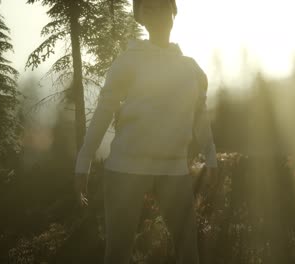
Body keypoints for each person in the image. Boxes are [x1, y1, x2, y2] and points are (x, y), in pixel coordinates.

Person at [73, 0, 218, 263]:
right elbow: (104, 110)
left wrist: (211, 158)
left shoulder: (192, 69)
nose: (156, 13)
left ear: (174, 12)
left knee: (189, 252)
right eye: (147, 7)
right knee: (118, 252)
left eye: (162, 5)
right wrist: (84, 161)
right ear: (139, 16)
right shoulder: (129, 61)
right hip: (125, 168)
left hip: (174, 170)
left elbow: (200, 115)